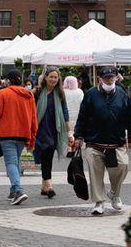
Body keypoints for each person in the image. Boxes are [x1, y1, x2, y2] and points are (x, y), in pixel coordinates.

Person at [73, 66, 131, 214]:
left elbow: (128, 118)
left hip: (116, 141)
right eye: (106, 77)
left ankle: (114, 193)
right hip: (94, 141)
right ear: (100, 79)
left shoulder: (122, 95)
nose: (109, 79)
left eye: (112, 77)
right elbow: (83, 116)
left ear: (116, 77)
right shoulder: (91, 94)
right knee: (95, 172)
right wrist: (78, 136)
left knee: (123, 165)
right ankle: (99, 202)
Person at [0, 69, 38, 205]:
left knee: (11, 162)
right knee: (16, 161)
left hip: (7, 132)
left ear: (8, 80)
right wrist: (32, 138)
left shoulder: (3, 93)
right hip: (23, 133)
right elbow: (33, 117)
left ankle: (18, 190)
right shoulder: (29, 94)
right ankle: (13, 190)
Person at [32, 67, 72, 198]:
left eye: (55, 77)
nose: (53, 79)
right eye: (51, 77)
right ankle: (47, 186)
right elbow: (27, 104)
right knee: (45, 155)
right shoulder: (38, 91)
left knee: (48, 155)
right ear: (45, 77)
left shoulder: (60, 93)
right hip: (39, 129)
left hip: (54, 129)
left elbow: (65, 113)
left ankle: (46, 186)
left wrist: (69, 132)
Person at [63, 76, 84, 157]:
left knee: (68, 131)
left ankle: (69, 148)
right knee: (75, 132)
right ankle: (74, 148)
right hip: (77, 114)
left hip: (66, 115)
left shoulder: (63, 91)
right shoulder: (79, 92)